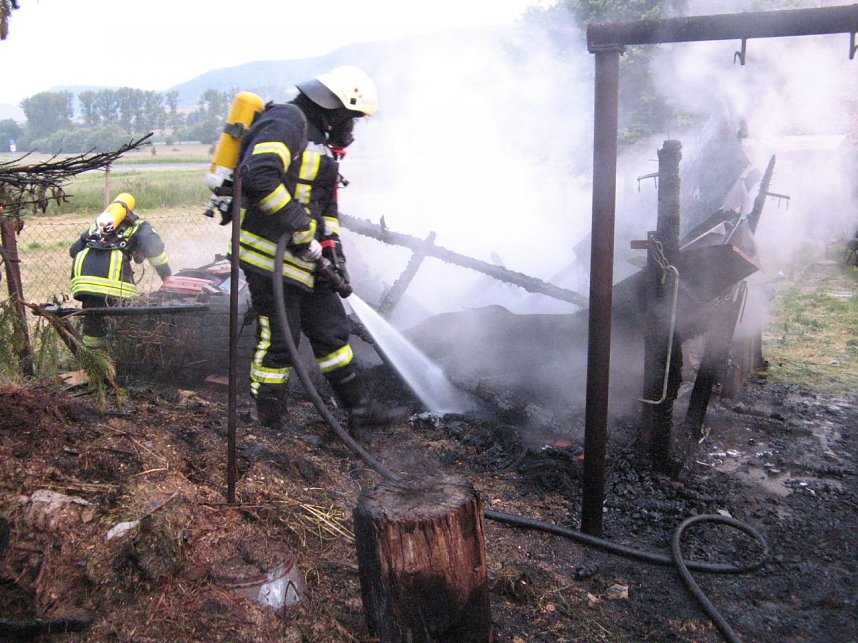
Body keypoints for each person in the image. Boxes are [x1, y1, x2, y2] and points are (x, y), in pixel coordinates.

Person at [235, 65, 407, 434]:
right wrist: (300, 228)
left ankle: (360, 413)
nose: (354, 126)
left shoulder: (323, 144)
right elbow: (259, 176)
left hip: (306, 261)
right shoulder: (287, 120)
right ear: (337, 107)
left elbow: (326, 206)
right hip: (269, 256)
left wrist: (333, 254)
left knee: (332, 333)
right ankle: (270, 425)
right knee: (280, 341)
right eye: (353, 117)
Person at [69, 192, 171, 349]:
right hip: (113, 283)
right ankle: (123, 355)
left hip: (84, 282)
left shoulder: (97, 226)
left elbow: (74, 251)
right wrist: (167, 278)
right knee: (127, 321)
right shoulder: (139, 226)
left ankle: (95, 361)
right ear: (131, 211)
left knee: (93, 326)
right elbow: (156, 252)